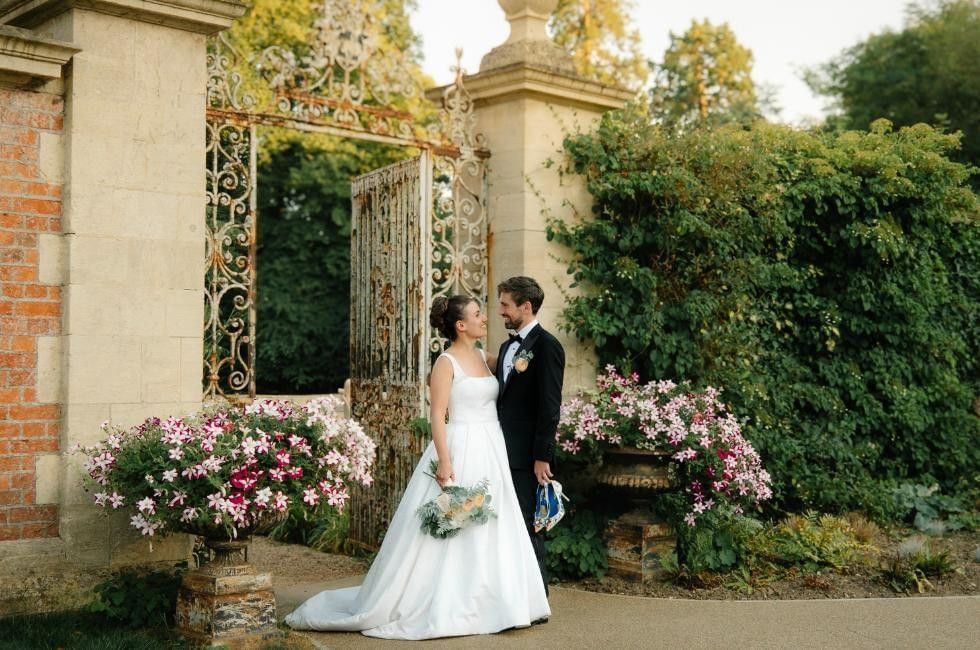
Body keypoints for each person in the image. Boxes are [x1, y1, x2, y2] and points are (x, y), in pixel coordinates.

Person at [285, 295, 550, 640]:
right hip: (460, 445)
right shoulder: (446, 363)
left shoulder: (487, 359)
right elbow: (437, 415)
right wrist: (445, 461)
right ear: (460, 325)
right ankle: (443, 600)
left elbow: (523, 372)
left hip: (492, 447)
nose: (485, 317)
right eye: (477, 314)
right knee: (455, 521)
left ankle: (495, 599)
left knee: (493, 523)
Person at [495, 276, 565, 595]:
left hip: (527, 456)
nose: (500, 311)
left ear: (526, 306)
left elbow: (550, 406)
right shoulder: (507, 347)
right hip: (499, 450)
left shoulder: (548, 346)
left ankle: (538, 597)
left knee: (528, 523)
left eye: (505, 305)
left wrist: (542, 456)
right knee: (504, 523)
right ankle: (511, 592)